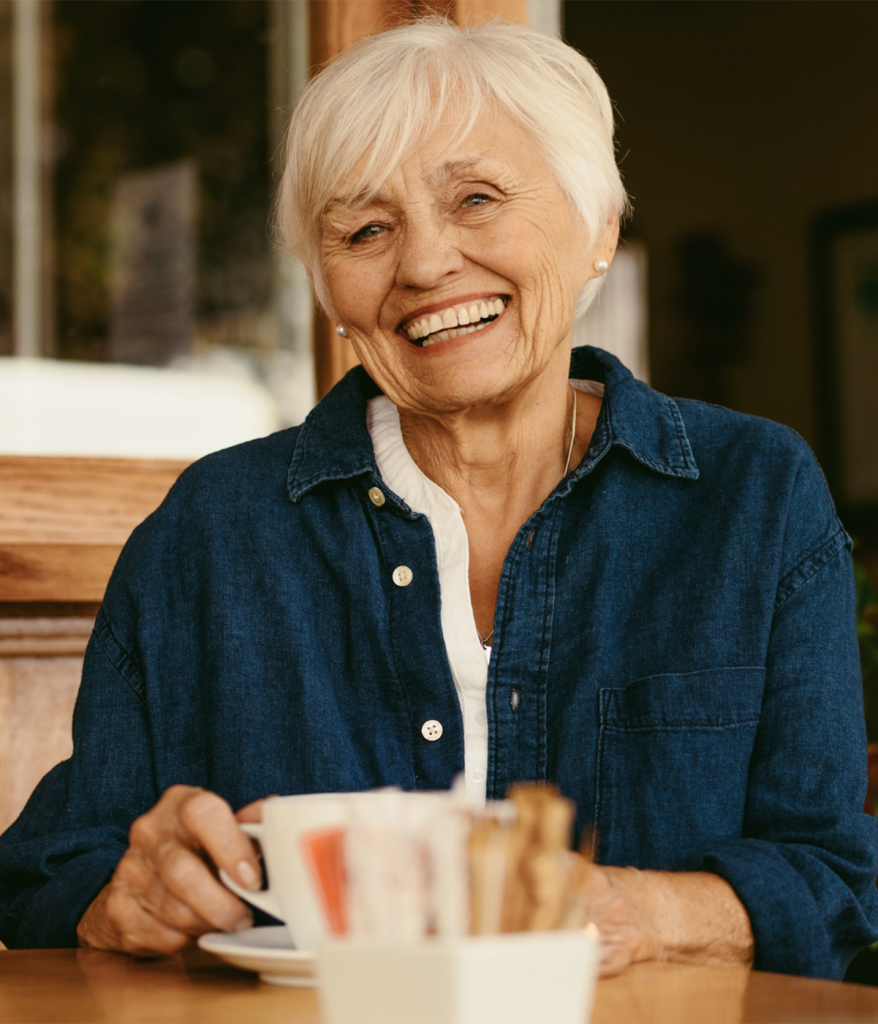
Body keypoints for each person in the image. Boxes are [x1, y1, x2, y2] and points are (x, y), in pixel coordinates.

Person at [1, 18, 876, 978]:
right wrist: (123, 892)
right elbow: (48, 867)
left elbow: (831, 876)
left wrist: (638, 912)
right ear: (329, 288)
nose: (423, 265)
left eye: (477, 198)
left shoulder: (751, 496)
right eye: (365, 229)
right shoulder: (211, 529)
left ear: (598, 228)